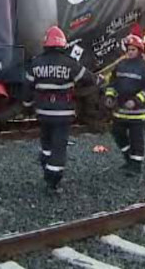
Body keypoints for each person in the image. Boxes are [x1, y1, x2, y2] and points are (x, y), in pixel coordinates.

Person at [23, 26, 95, 193]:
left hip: (43, 113)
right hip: (63, 114)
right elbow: (87, 78)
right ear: (62, 44)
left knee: (46, 145)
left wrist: (27, 105)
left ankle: (46, 167)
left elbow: (27, 89)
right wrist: (98, 81)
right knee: (59, 147)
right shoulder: (69, 63)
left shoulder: (36, 63)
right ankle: (53, 182)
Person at [105, 34, 145, 176]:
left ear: (139, 51)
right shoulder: (121, 65)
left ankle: (136, 166)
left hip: (137, 113)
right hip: (120, 111)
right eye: (128, 49)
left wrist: (135, 101)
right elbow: (112, 83)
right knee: (117, 133)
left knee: (136, 139)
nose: (130, 52)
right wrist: (110, 96)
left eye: (133, 49)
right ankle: (129, 158)